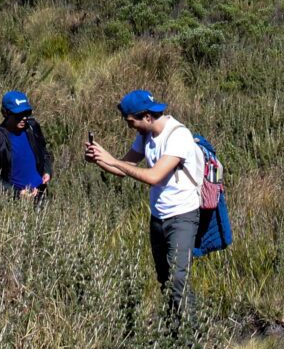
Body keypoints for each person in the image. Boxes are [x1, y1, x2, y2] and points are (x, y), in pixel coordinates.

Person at [85, 89, 206, 319]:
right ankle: (174, 331)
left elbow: (154, 176)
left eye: (131, 122)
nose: (131, 127)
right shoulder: (145, 135)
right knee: (164, 278)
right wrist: (100, 158)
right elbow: (123, 168)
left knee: (178, 278)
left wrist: (113, 161)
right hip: (158, 217)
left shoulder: (178, 136)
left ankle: (192, 343)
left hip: (182, 216)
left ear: (147, 117)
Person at [0, 90, 52, 199]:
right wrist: (16, 194)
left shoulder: (32, 127)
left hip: (41, 194)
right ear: (5, 113)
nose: (24, 117)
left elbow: (44, 153)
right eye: (18, 114)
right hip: (15, 201)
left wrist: (47, 171)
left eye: (26, 113)